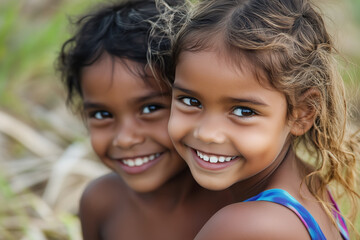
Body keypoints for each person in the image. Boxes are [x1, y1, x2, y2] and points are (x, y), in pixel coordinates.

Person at [163, 0, 360, 239]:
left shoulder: (243, 226)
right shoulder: (308, 182)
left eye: (244, 112)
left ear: (303, 113)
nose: (207, 133)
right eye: (191, 102)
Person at [57, 1, 233, 239]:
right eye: (101, 115)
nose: (126, 139)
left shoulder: (241, 207)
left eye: (150, 108)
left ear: (194, 103)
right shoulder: (101, 203)